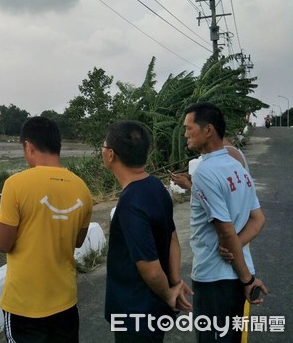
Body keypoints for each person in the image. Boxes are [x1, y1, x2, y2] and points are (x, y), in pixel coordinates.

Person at [0, 116, 93, 342]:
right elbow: (78, 241)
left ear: (28, 146)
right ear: (57, 145)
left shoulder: (15, 184)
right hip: (65, 302)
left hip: (24, 305)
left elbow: (5, 244)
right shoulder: (82, 188)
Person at [180, 102, 268, 342]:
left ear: (208, 130)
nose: (185, 133)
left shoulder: (205, 172)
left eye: (189, 128)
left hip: (213, 278)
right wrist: (240, 259)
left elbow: (226, 233)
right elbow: (258, 219)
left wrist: (247, 278)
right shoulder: (237, 166)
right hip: (236, 276)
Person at [102, 120, 192, 342]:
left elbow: (150, 269)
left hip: (135, 313)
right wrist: (174, 279)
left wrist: (169, 293)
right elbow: (172, 238)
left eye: (103, 146)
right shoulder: (155, 187)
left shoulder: (130, 203)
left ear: (111, 155)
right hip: (152, 309)